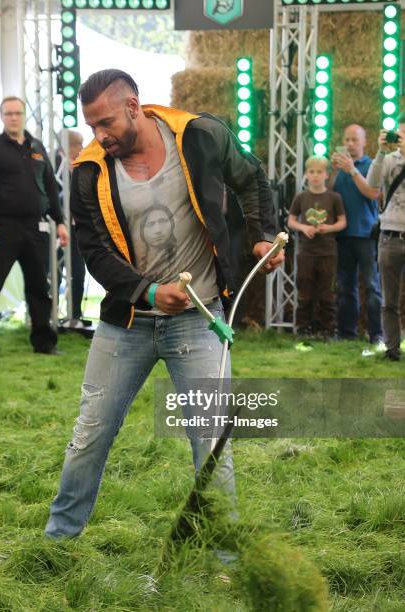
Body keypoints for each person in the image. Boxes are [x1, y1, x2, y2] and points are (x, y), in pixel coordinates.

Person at [45, 69, 282, 540]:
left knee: (211, 444)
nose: (100, 135)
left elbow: (252, 176)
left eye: (107, 122)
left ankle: (224, 556)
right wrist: (151, 293)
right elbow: (94, 253)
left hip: (200, 319)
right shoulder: (88, 171)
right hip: (127, 323)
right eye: (92, 126)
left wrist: (260, 238)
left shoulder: (199, 135)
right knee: (89, 435)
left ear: (134, 106)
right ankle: (56, 543)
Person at [0, 96, 69, 356]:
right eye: (8, 113)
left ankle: (44, 343)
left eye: (18, 113)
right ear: (2, 117)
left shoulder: (36, 147)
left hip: (35, 228)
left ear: (24, 116)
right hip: (0, 228)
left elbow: (49, 185)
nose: (13, 117)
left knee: (39, 288)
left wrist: (59, 222)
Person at [330, 124, 383, 344]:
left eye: (354, 140)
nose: (350, 144)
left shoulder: (371, 165)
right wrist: (333, 171)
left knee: (372, 286)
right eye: (347, 139)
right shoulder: (338, 170)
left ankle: (376, 335)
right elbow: (328, 196)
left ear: (364, 142)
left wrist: (352, 170)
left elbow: (373, 193)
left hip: (367, 235)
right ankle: (346, 333)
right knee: (345, 287)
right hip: (344, 236)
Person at [288, 156, 346, 339]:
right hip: (306, 252)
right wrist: (303, 227)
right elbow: (291, 220)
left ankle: (328, 331)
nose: (315, 175)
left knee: (327, 293)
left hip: (328, 252)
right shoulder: (301, 197)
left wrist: (328, 228)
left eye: (319, 172)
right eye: (311, 172)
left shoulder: (334, 197)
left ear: (326, 175)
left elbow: (342, 221)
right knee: (305, 291)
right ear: (306, 174)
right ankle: (303, 330)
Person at [367, 115, 405, 361]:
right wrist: (381, 152)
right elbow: (372, 184)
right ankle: (392, 348)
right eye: (400, 133)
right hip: (390, 235)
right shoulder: (389, 159)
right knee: (389, 299)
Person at [56, 130, 89, 325]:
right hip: (57, 227)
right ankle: (53, 313)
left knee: (78, 272)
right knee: (56, 271)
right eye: (78, 144)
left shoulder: (82, 167)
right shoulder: (53, 163)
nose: (82, 149)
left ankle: (75, 314)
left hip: (77, 228)